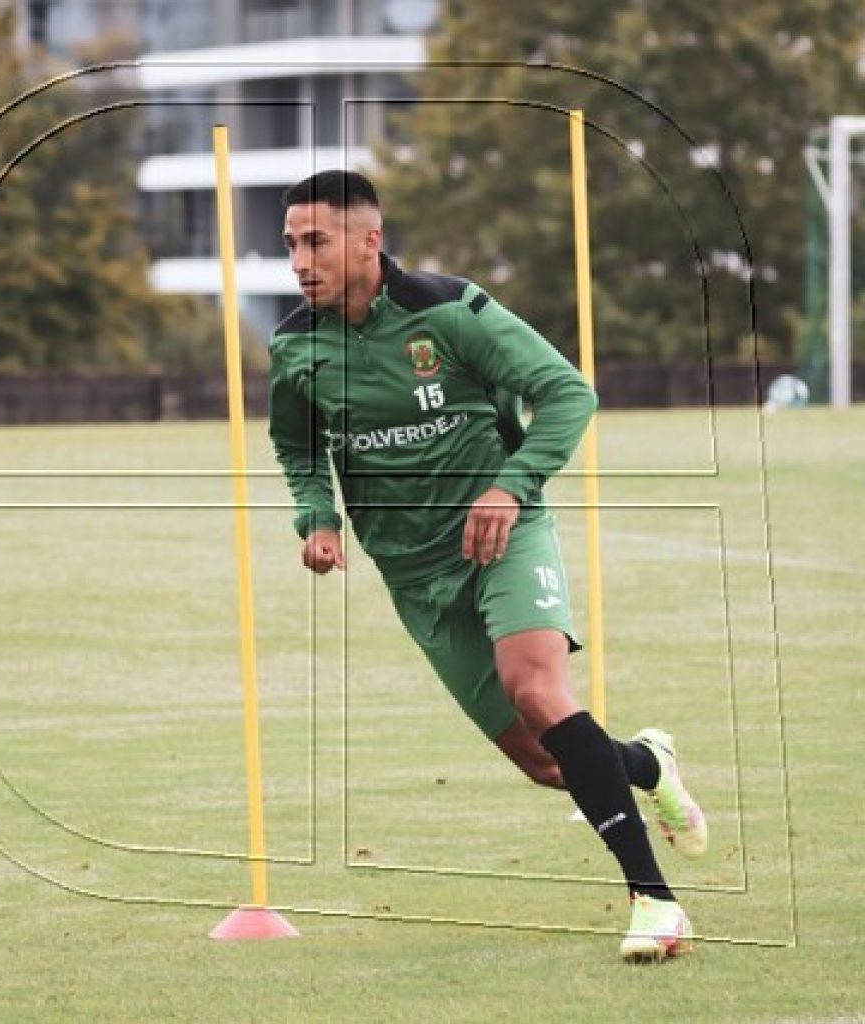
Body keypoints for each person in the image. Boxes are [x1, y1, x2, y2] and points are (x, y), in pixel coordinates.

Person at [268, 169, 707, 962]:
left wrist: (510, 485)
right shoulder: (295, 345)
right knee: (546, 764)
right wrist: (319, 518)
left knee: (536, 690)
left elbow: (568, 393)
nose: (301, 260)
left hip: (506, 537)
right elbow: (296, 448)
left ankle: (655, 902)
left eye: (317, 241)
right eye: (292, 243)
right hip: (413, 578)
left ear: (370, 239)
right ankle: (647, 762)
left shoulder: (452, 311)